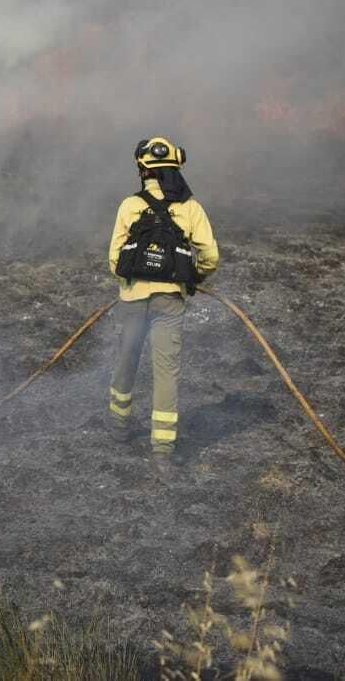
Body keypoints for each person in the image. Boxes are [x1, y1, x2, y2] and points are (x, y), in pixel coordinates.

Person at [107, 136, 220, 478]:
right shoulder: (191, 208)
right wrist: (193, 278)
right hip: (170, 302)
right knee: (166, 372)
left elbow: (115, 260)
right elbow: (211, 256)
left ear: (144, 169)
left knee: (127, 357)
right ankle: (162, 452)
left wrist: (131, 282)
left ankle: (118, 426)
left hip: (132, 300)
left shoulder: (129, 205)